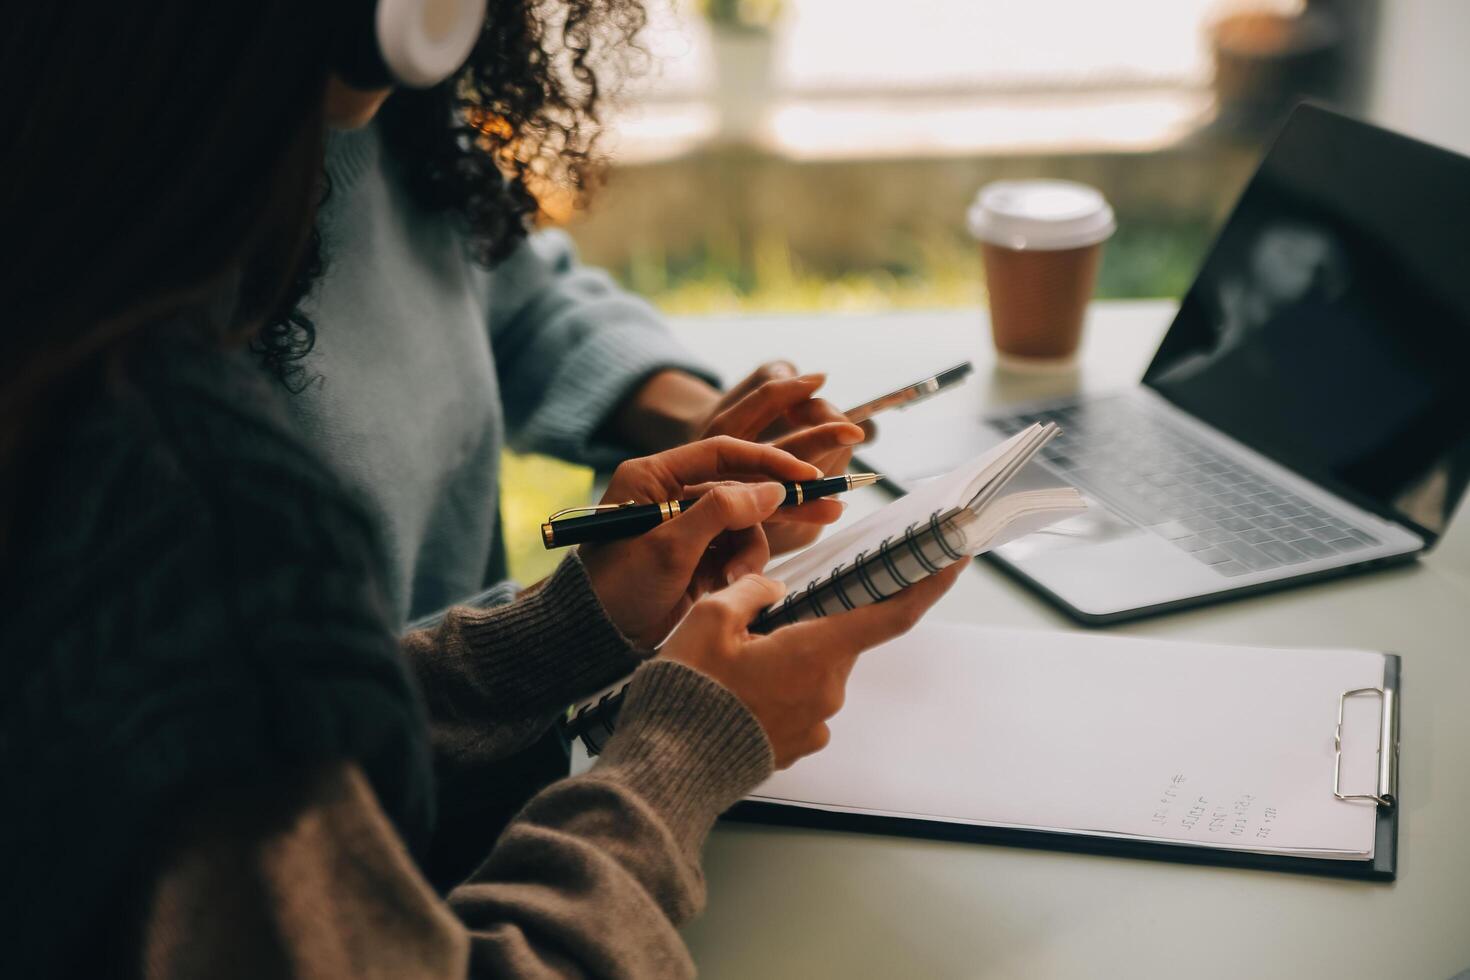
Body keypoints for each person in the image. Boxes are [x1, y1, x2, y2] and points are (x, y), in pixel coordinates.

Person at [0, 2, 961, 977]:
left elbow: (281, 734)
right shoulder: (193, 503)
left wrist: (566, 624)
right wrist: (684, 750)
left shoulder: (366, 111)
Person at [293, 0, 862, 628]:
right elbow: (276, 719)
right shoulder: (179, 281)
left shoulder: (397, 115)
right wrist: (563, 626)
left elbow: (519, 303)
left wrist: (694, 418)